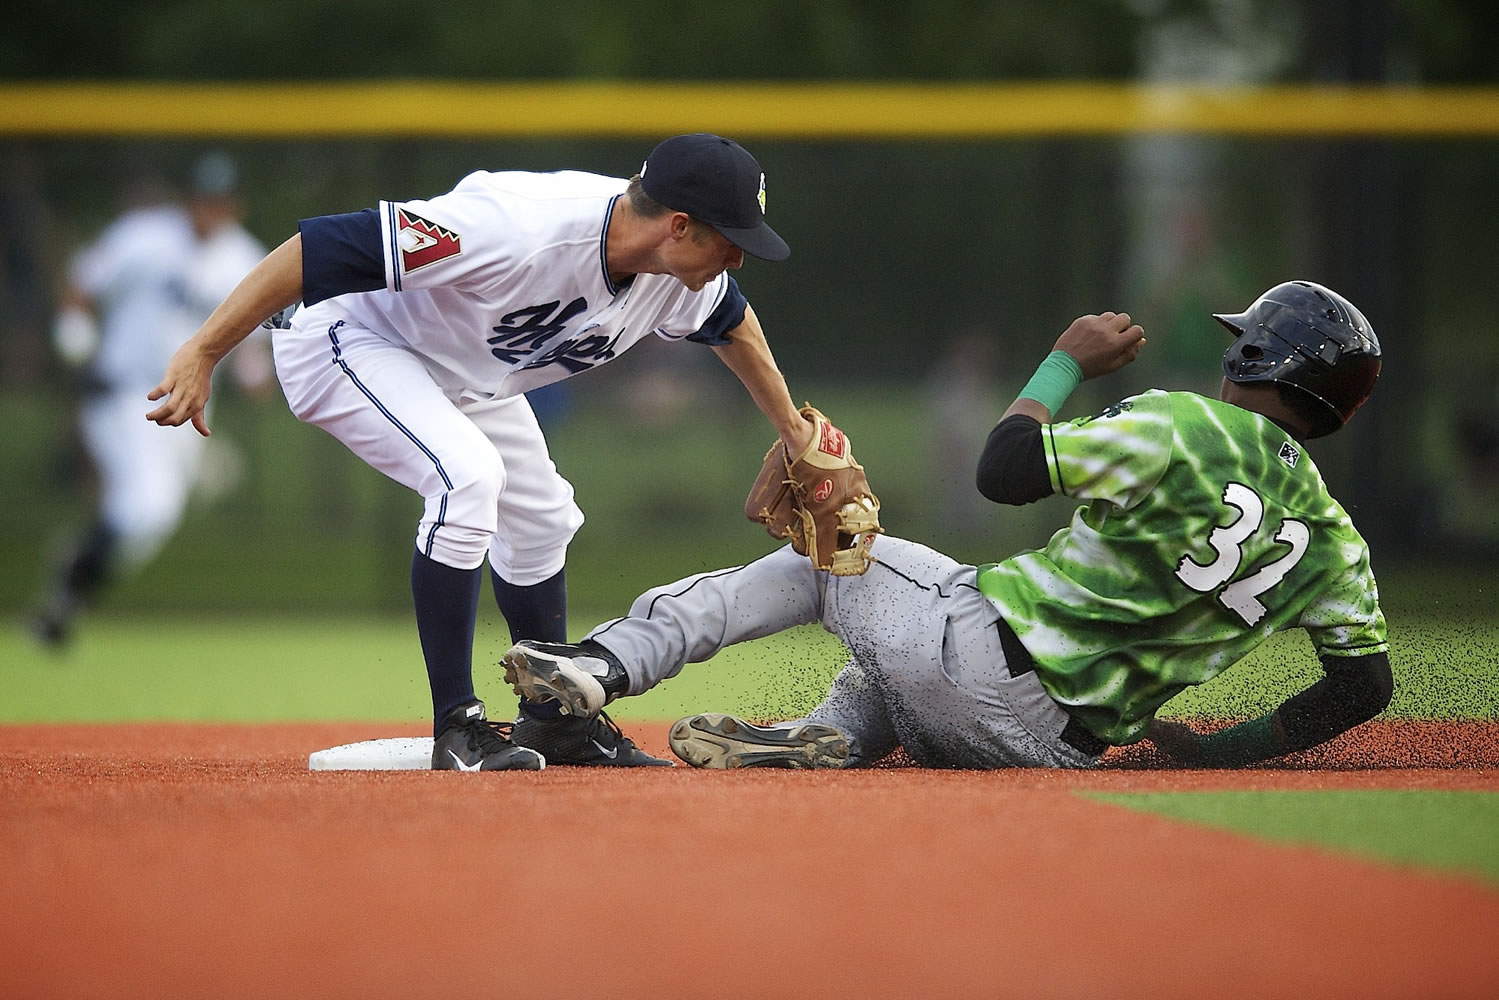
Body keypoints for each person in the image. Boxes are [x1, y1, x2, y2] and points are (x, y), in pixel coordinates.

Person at [501, 281, 1394, 770]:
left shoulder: (1187, 426)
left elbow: (1002, 471)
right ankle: (835, 735)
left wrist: (1062, 362)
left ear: (1253, 357)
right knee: (901, 638)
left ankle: (599, 665)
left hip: (981, 662)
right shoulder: (1337, 546)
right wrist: (1219, 754)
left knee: (832, 556)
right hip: (1053, 748)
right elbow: (1363, 689)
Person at [145, 134, 824, 772]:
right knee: (467, 479)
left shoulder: (680, 278)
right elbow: (314, 249)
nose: (736, 258)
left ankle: (552, 720)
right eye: (729, 241)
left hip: (464, 371)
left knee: (542, 517)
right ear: (678, 225)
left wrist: (794, 433)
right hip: (347, 336)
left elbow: (733, 325)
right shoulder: (516, 228)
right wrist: (205, 350)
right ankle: (457, 726)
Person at [32, 153, 269, 647]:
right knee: (150, 505)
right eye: (204, 200)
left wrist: (254, 374)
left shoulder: (244, 259)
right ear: (189, 199)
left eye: (220, 202)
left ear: (235, 206)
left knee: (152, 517)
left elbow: (251, 341)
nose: (210, 211)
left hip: (189, 406)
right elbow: (82, 282)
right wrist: (74, 332)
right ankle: (66, 594)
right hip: (125, 389)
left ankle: (71, 581)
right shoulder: (143, 236)